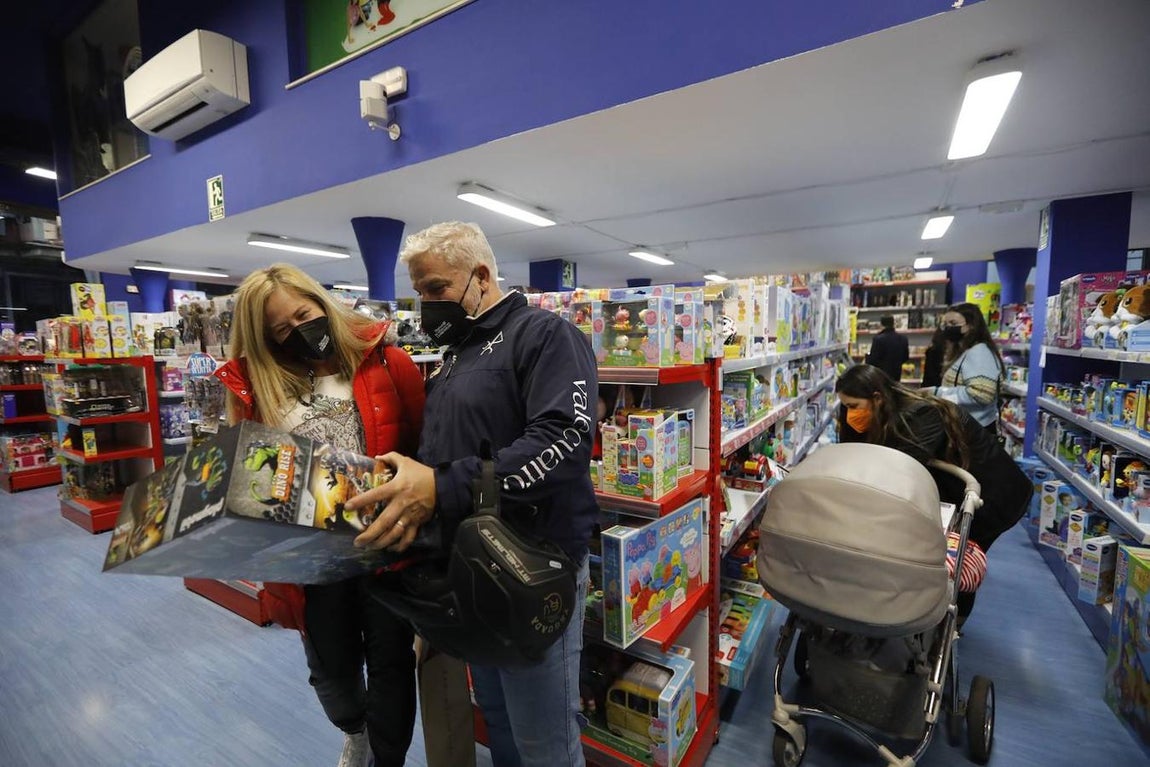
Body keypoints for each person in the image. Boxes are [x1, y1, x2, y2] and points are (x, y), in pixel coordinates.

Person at [347, 221, 599, 767]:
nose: (427, 304)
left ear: (481, 276)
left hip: (534, 567)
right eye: (419, 293)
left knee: (545, 740)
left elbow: (563, 440)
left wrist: (440, 485)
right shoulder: (457, 355)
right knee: (499, 718)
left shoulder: (546, 335)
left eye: (436, 288)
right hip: (471, 572)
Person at [215, 263, 427, 767]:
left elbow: (422, 447)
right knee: (332, 673)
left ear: (322, 303)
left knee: (392, 667)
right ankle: (354, 728)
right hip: (313, 562)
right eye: (281, 331)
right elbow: (254, 479)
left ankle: (389, 759)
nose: (298, 334)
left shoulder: (387, 364)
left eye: (304, 316)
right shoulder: (260, 388)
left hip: (386, 546)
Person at [835, 363, 1032, 622]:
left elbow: (901, 469)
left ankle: (949, 624)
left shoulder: (923, 415)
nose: (850, 415)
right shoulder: (876, 415)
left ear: (878, 398)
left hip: (992, 495)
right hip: (948, 493)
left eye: (853, 407)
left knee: (955, 560)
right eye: (844, 406)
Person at [929, 303, 1005, 435]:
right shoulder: (966, 351)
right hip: (967, 428)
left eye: (953, 323)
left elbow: (982, 394)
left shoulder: (979, 352)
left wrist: (937, 392)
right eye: (945, 324)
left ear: (971, 325)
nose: (948, 328)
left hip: (974, 431)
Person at [864, 315, 909, 381]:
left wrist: (867, 357)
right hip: (897, 374)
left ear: (881, 324)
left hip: (881, 375)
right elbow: (905, 357)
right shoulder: (903, 339)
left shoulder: (878, 339)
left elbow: (873, 360)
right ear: (893, 323)